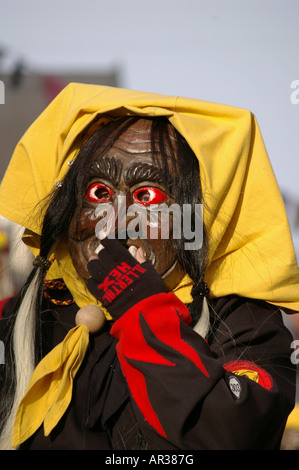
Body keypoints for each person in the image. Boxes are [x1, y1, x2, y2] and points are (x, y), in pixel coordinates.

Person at [0, 83, 298, 450]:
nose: (117, 221)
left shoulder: (244, 325)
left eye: (147, 196)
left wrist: (143, 308)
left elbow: (231, 431)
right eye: (98, 192)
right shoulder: (24, 320)